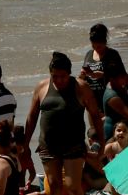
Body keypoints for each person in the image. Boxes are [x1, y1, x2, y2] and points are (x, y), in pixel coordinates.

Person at [23, 52, 103, 195]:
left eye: (63, 76)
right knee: (53, 188)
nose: (59, 80)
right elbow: (32, 117)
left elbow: (95, 116)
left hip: (73, 145)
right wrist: (26, 144)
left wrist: (102, 143)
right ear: (50, 73)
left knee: (72, 187)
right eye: (55, 76)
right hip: (48, 145)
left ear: (69, 73)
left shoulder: (81, 87)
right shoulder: (42, 87)